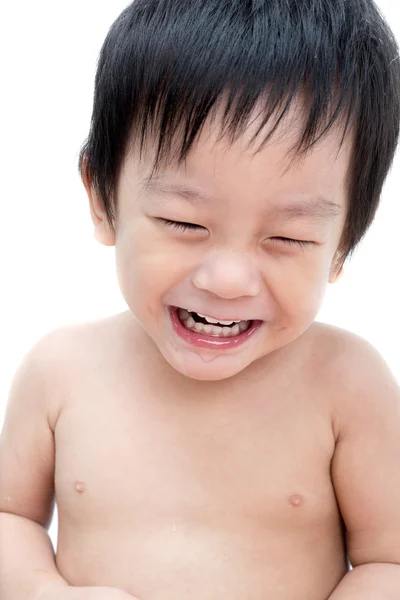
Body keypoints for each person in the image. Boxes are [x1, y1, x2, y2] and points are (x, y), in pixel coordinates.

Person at [1, 0, 400, 599]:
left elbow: (388, 561)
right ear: (103, 199)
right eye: (183, 222)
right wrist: (41, 591)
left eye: (288, 238)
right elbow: (11, 519)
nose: (228, 278)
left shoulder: (347, 385)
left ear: (342, 246)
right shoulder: (61, 371)